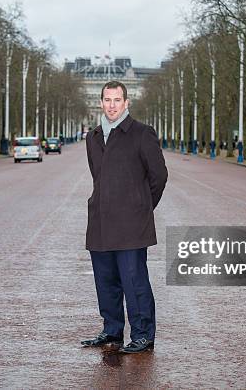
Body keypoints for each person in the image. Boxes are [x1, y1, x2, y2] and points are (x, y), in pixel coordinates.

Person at [82, 81, 168, 354]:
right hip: (100, 222)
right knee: (105, 281)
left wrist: (142, 206)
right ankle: (112, 330)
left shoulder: (142, 133)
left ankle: (143, 334)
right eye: (107, 100)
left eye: (117, 100)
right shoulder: (93, 136)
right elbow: (99, 176)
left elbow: (159, 177)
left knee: (134, 281)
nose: (111, 105)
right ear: (101, 102)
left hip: (132, 223)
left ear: (126, 102)